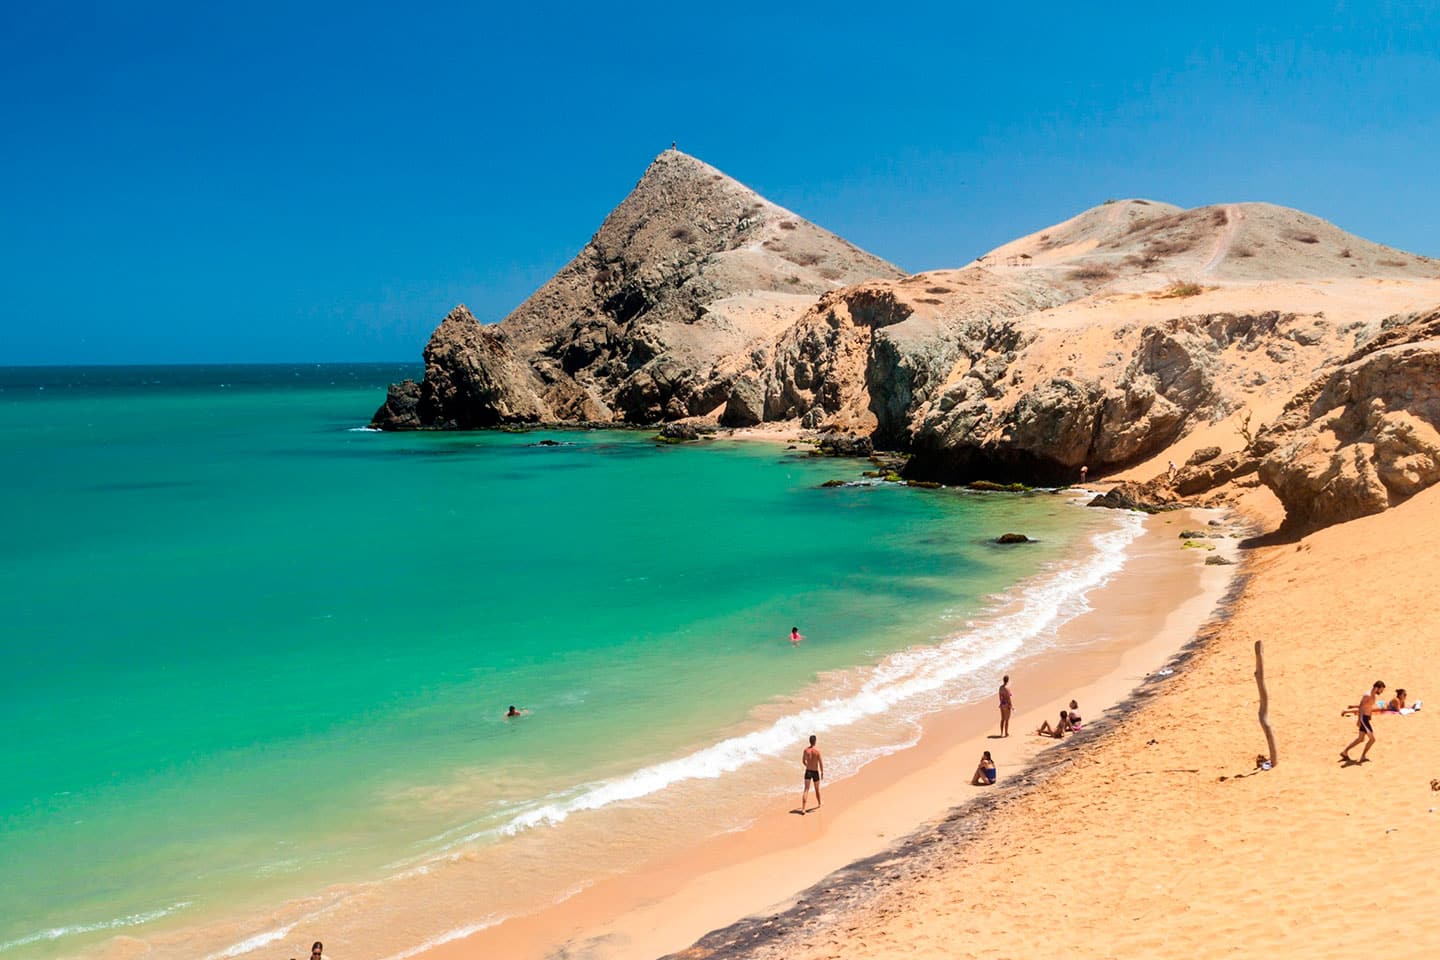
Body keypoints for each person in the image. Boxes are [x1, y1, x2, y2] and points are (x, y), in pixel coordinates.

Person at [1341, 680, 1385, 762]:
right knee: (1372, 739)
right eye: (1381, 690)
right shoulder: (1367, 695)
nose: (1381, 692)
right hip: (1363, 719)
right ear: (1376, 688)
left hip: (1366, 718)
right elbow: (1361, 707)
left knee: (1360, 739)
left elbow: (1366, 705)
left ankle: (1345, 752)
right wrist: (1359, 720)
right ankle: (1363, 756)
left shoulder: (1373, 695)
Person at [799, 734, 824, 813]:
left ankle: (803, 808)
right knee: (817, 789)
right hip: (815, 772)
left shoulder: (806, 750)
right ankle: (819, 803)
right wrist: (822, 772)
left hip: (808, 771)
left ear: (809, 741)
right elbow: (820, 763)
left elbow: (803, 761)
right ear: (815, 741)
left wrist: (807, 766)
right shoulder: (817, 751)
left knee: (806, 790)